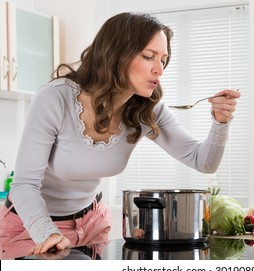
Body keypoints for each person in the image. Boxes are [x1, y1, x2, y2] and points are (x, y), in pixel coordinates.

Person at [0, 12, 240, 257]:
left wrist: (220, 122)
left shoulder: (147, 109)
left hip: (92, 225)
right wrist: (48, 233)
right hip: (32, 228)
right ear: (116, 55)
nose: (159, 69)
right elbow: (23, 186)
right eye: (148, 57)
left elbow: (204, 161)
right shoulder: (56, 98)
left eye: (164, 60)